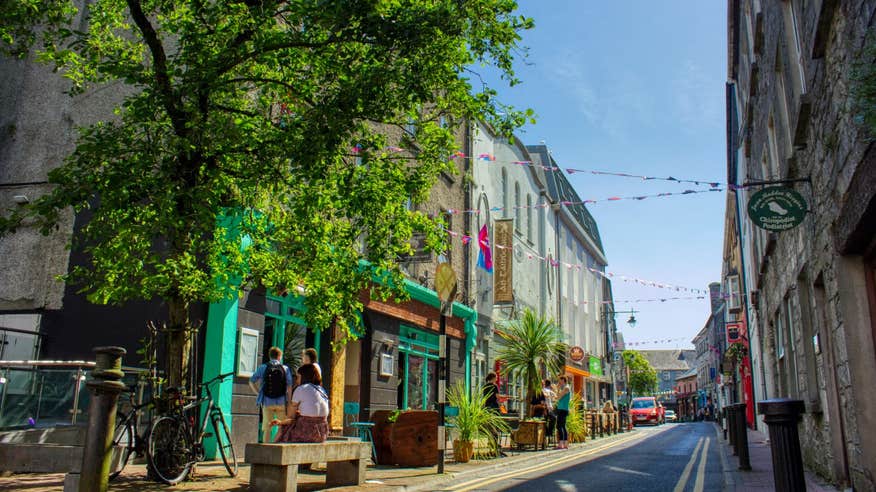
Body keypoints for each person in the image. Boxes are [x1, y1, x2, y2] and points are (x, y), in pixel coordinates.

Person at [272, 363, 329, 443]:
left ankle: (273, 450)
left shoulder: (301, 389)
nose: (297, 380)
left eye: (298, 377)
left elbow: (291, 416)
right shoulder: (322, 390)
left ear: (304, 377)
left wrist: (281, 422)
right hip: (322, 433)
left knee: (283, 428)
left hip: (307, 432)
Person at [250, 346, 294, 443]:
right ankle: (278, 445)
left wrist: (258, 393)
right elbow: (289, 386)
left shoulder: (263, 367)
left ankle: (266, 446)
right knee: (282, 426)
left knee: (267, 426)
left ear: (270, 356)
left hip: (267, 401)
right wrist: (289, 401)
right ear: (280, 357)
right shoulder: (285, 368)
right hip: (281, 402)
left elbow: (251, 381)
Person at [555, 375, 571, 449]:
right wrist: (558, 389)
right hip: (562, 408)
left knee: (560, 426)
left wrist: (557, 389)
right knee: (562, 426)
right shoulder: (564, 388)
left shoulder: (566, 388)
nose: (559, 382)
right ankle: (564, 443)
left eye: (560, 380)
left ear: (563, 380)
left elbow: (558, 397)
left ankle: (561, 443)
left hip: (563, 409)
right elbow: (558, 396)